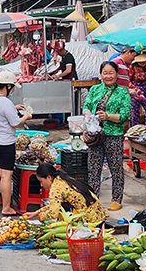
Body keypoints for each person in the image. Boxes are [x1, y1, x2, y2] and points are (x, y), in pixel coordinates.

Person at [0, 68, 32, 215]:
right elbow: (16, 123)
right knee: (6, 175)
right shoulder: (6, 103)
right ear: (8, 86)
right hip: (4, 143)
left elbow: (0, 112)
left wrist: (14, 108)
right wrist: (26, 117)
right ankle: (6, 207)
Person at [83, 61, 133, 211]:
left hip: (113, 135)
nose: (108, 76)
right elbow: (86, 105)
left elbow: (125, 115)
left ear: (117, 74)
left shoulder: (123, 92)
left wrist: (107, 116)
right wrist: (88, 114)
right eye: (105, 73)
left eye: (111, 72)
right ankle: (93, 199)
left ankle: (116, 199)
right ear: (101, 74)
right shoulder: (95, 89)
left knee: (116, 167)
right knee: (93, 168)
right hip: (95, 134)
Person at [26, 162, 106, 225]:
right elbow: (55, 204)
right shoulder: (61, 178)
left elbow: (53, 213)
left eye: (41, 181)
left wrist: (42, 216)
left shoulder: (56, 187)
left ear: (49, 177)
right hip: (99, 215)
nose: (41, 185)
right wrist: (36, 213)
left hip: (90, 220)